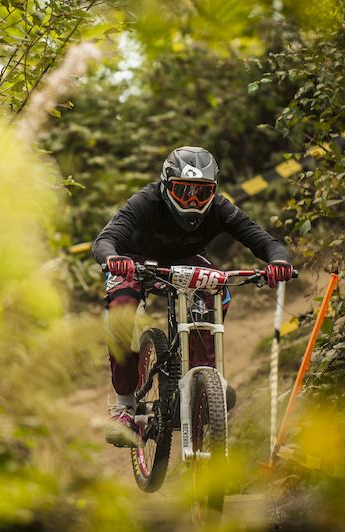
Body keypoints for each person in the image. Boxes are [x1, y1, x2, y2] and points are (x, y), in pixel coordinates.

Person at [92, 146, 293, 448]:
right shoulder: (147, 200)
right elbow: (105, 239)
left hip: (185, 261)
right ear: (165, 185)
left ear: (213, 191)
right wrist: (113, 259)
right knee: (121, 312)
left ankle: (203, 379)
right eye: (183, 191)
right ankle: (124, 407)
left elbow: (264, 241)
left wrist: (278, 262)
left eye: (201, 193)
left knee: (216, 290)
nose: (192, 201)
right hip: (135, 261)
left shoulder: (220, 208)